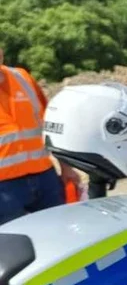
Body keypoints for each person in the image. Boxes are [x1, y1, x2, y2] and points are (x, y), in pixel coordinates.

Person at [0, 47, 81, 226]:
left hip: (45, 177)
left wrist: (66, 167)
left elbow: (51, 126)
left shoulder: (22, 78)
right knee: (20, 247)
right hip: (4, 190)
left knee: (64, 232)